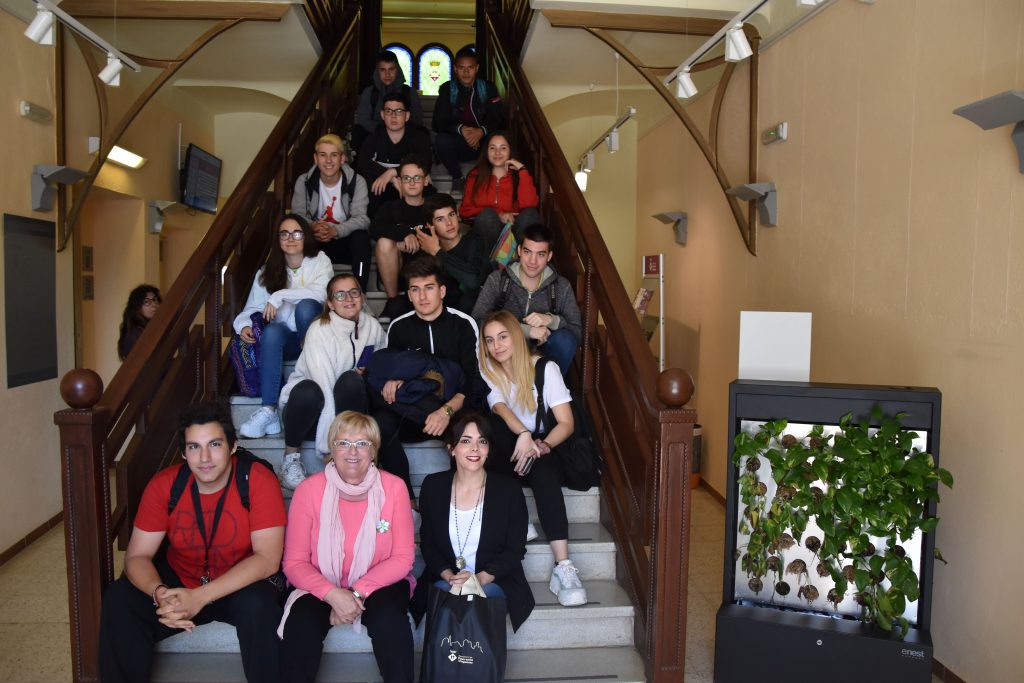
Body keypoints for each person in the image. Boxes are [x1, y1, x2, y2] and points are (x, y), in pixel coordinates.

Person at [99, 402, 286, 683]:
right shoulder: (165, 485)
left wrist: (199, 597)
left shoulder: (257, 480)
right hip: (182, 579)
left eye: (215, 444)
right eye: (194, 447)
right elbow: (137, 557)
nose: (205, 457)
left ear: (233, 447)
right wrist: (160, 593)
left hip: (239, 581)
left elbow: (267, 560)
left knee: (260, 607)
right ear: (184, 453)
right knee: (119, 598)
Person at [279, 411, 415, 683]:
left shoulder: (394, 487)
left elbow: (402, 558)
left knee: (390, 620)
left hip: (379, 583)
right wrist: (332, 594)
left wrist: (355, 593)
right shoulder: (308, 490)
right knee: (302, 622)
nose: (352, 452)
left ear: (374, 451)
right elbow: (294, 562)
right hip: (320, 582)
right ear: (332, 449)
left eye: (362, 443)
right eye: (343, 443)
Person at [478, 310, 589, 606]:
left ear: (517, 336)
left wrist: (541, 445)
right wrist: (524, 435)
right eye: (489, 340)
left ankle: (563, 566)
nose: (497, 346)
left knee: (544, 473)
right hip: (513, 444)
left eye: (503, 337)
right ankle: (518, 516)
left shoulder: (545, 368)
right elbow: (500, 409)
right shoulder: (488, 371)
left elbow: (566, 423)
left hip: (547, 443)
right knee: (493, 433)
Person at [369, 257, 485, 504]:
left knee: (469, 428)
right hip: (413, 413)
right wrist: (393, 379)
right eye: (415, 289)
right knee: (380, 422)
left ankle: (461, 501)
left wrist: (445, 411)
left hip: (452, 413)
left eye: (429, 288)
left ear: (442, 291)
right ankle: (407, 503)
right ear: (409, 295)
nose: (422, 296)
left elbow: (472, 380)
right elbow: (395, 365)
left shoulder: (463, 324)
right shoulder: (399, 327)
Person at [413, 411, 535, 635]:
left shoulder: (509, 490)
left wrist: (479, 579)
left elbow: (515, 549)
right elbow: (428, 544)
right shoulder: (433, 486)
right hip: (447, 578)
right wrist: (449, 576)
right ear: (451, 448)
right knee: (446, 599)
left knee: (473, 603)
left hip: (495, 579)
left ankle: (465, 658)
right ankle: (453, 658)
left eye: (482, 441)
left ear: (489, 450)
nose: (475, 449)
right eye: (466, 441)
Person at [277, 274, 386, 490]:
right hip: (311, 415)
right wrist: (329, 448)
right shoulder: (319, 329)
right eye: (340, 295)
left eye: (354, 292)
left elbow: (384, 361)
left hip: (348, 409)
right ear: (330, 303)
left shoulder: (372, 326)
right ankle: (290, 457)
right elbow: (325, 386)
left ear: (362, 297)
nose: (349, 299)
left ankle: (357, 453)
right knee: (309, 390)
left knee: (351, 381)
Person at [236, 215, 334, 439]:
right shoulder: (267, 272)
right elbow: (252, 308)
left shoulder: (320, 260)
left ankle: (316, 379)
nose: (291, 238)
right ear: (278, 239)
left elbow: (321, 294)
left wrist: (279, 295)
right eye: (284, 234)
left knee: (306, 307)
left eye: (297, 233)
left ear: (305, 236)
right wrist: (244, 325)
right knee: (271, 331)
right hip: (290, 343)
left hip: (317, 341)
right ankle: (269, 409)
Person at [471, 223, 582, 375]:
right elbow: (477, 321)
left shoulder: (562, 287)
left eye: (540, 254)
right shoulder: (497, 280)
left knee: (565, 340)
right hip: (504, 355)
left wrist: (552, 320)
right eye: (527, 252)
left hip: (542, 360)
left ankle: (546, 386)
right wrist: (525, 331)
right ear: (519, 251)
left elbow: (576, 333)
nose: (532, 261)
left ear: (549, 256)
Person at [291, 134, 371, 291]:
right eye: (323, 155)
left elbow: (362, 219)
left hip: (344, 239)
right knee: (293, 234)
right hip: (316, 240)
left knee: (361, 238)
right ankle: (301, 290)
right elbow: (297, 216)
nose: (328, 161)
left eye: (334, 155)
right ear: (316, 158)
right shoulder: (304, 181)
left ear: (342, 159)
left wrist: (335, 230)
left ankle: (360, 292)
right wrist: (313, 226)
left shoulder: (357, 181)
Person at [433, 46, 507, 195]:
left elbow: (499, 119)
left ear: (477, 68)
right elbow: (438, 122)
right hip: (458, 143)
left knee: (500, 139)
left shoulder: (488, 88)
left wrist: (481, 131)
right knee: (441, 140)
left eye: (470, 68)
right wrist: (461, 130)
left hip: (483, 145)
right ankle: (457, 177)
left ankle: (486, 179)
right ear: (455, 69)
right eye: (462, 68)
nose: (466, 72)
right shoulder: (447, 89)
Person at [369, 155, 434, 319]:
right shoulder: (390, 207)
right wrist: (404, 233)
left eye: (417, 178)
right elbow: (374, 229)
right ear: (399, 182)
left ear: (426, 180)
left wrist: (413, 240)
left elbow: (442, 233)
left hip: (427, 271)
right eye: (406, 178)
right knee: (384, 243)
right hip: (397, 273)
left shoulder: (433, 206)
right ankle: (392, 300)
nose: (411, 183)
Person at [356, 90, 432, 217]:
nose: (393, 116)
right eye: (388, 111)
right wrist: (391, 177)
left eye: (398, 111)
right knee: (373, 185)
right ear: (382, 115)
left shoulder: (419, 137)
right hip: (383, 187)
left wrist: (393, 172)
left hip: (409, 184)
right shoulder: (374, 137)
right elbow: (363, 162)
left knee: (425, 185)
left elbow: (425, 163)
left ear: (407, 116)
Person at [459, 131, 541, 248]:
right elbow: (465, 211)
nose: (497, 152)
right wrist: (498, 214)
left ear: (510, 151)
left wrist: (523, 170)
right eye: (492, 148)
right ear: (486, 151)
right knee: (487, 215)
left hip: (515, 230)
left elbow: (529, 205)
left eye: (503, 148)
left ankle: (521, 256)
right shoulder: (475, 176)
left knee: (530, 213)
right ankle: (489, 259)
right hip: (486, 231)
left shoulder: (520, 176)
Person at [416, 193, 493, 314]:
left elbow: (473, 281)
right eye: (440, 219)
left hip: (473, 309)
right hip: (443, 312)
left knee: (468, 300)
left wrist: (438, 252)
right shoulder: (426, 251)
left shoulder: (475, 241)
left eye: (451, 215)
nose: (449, 223)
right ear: (430, 226)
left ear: (457, 215)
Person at [351, 50, 424, 156]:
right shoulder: (369, 92)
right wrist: (384, 131)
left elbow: (417, 120)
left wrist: (396, 130)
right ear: (377, 71)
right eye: (383, 70)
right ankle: (361, 164)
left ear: (397, 69)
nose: (387, 74)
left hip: (403, 134)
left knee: (422, 133)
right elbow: (363, 120)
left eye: (391, 69)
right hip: (375, 133)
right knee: (358, 131)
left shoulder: (409, 92)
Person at [117, 284, 161, 360]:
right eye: (146, 302)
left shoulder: (152, 327)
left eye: (155, 300)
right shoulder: (135, 333)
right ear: (137, 307)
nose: (154, 304)